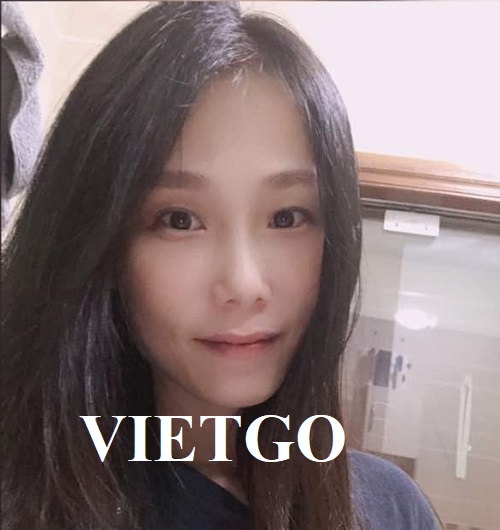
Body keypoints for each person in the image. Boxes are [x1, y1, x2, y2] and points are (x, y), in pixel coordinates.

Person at [1, 2, 441, 529]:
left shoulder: (390, 509)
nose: (244, 283)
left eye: (286, 216)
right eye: (180, 220)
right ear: (98, 239)